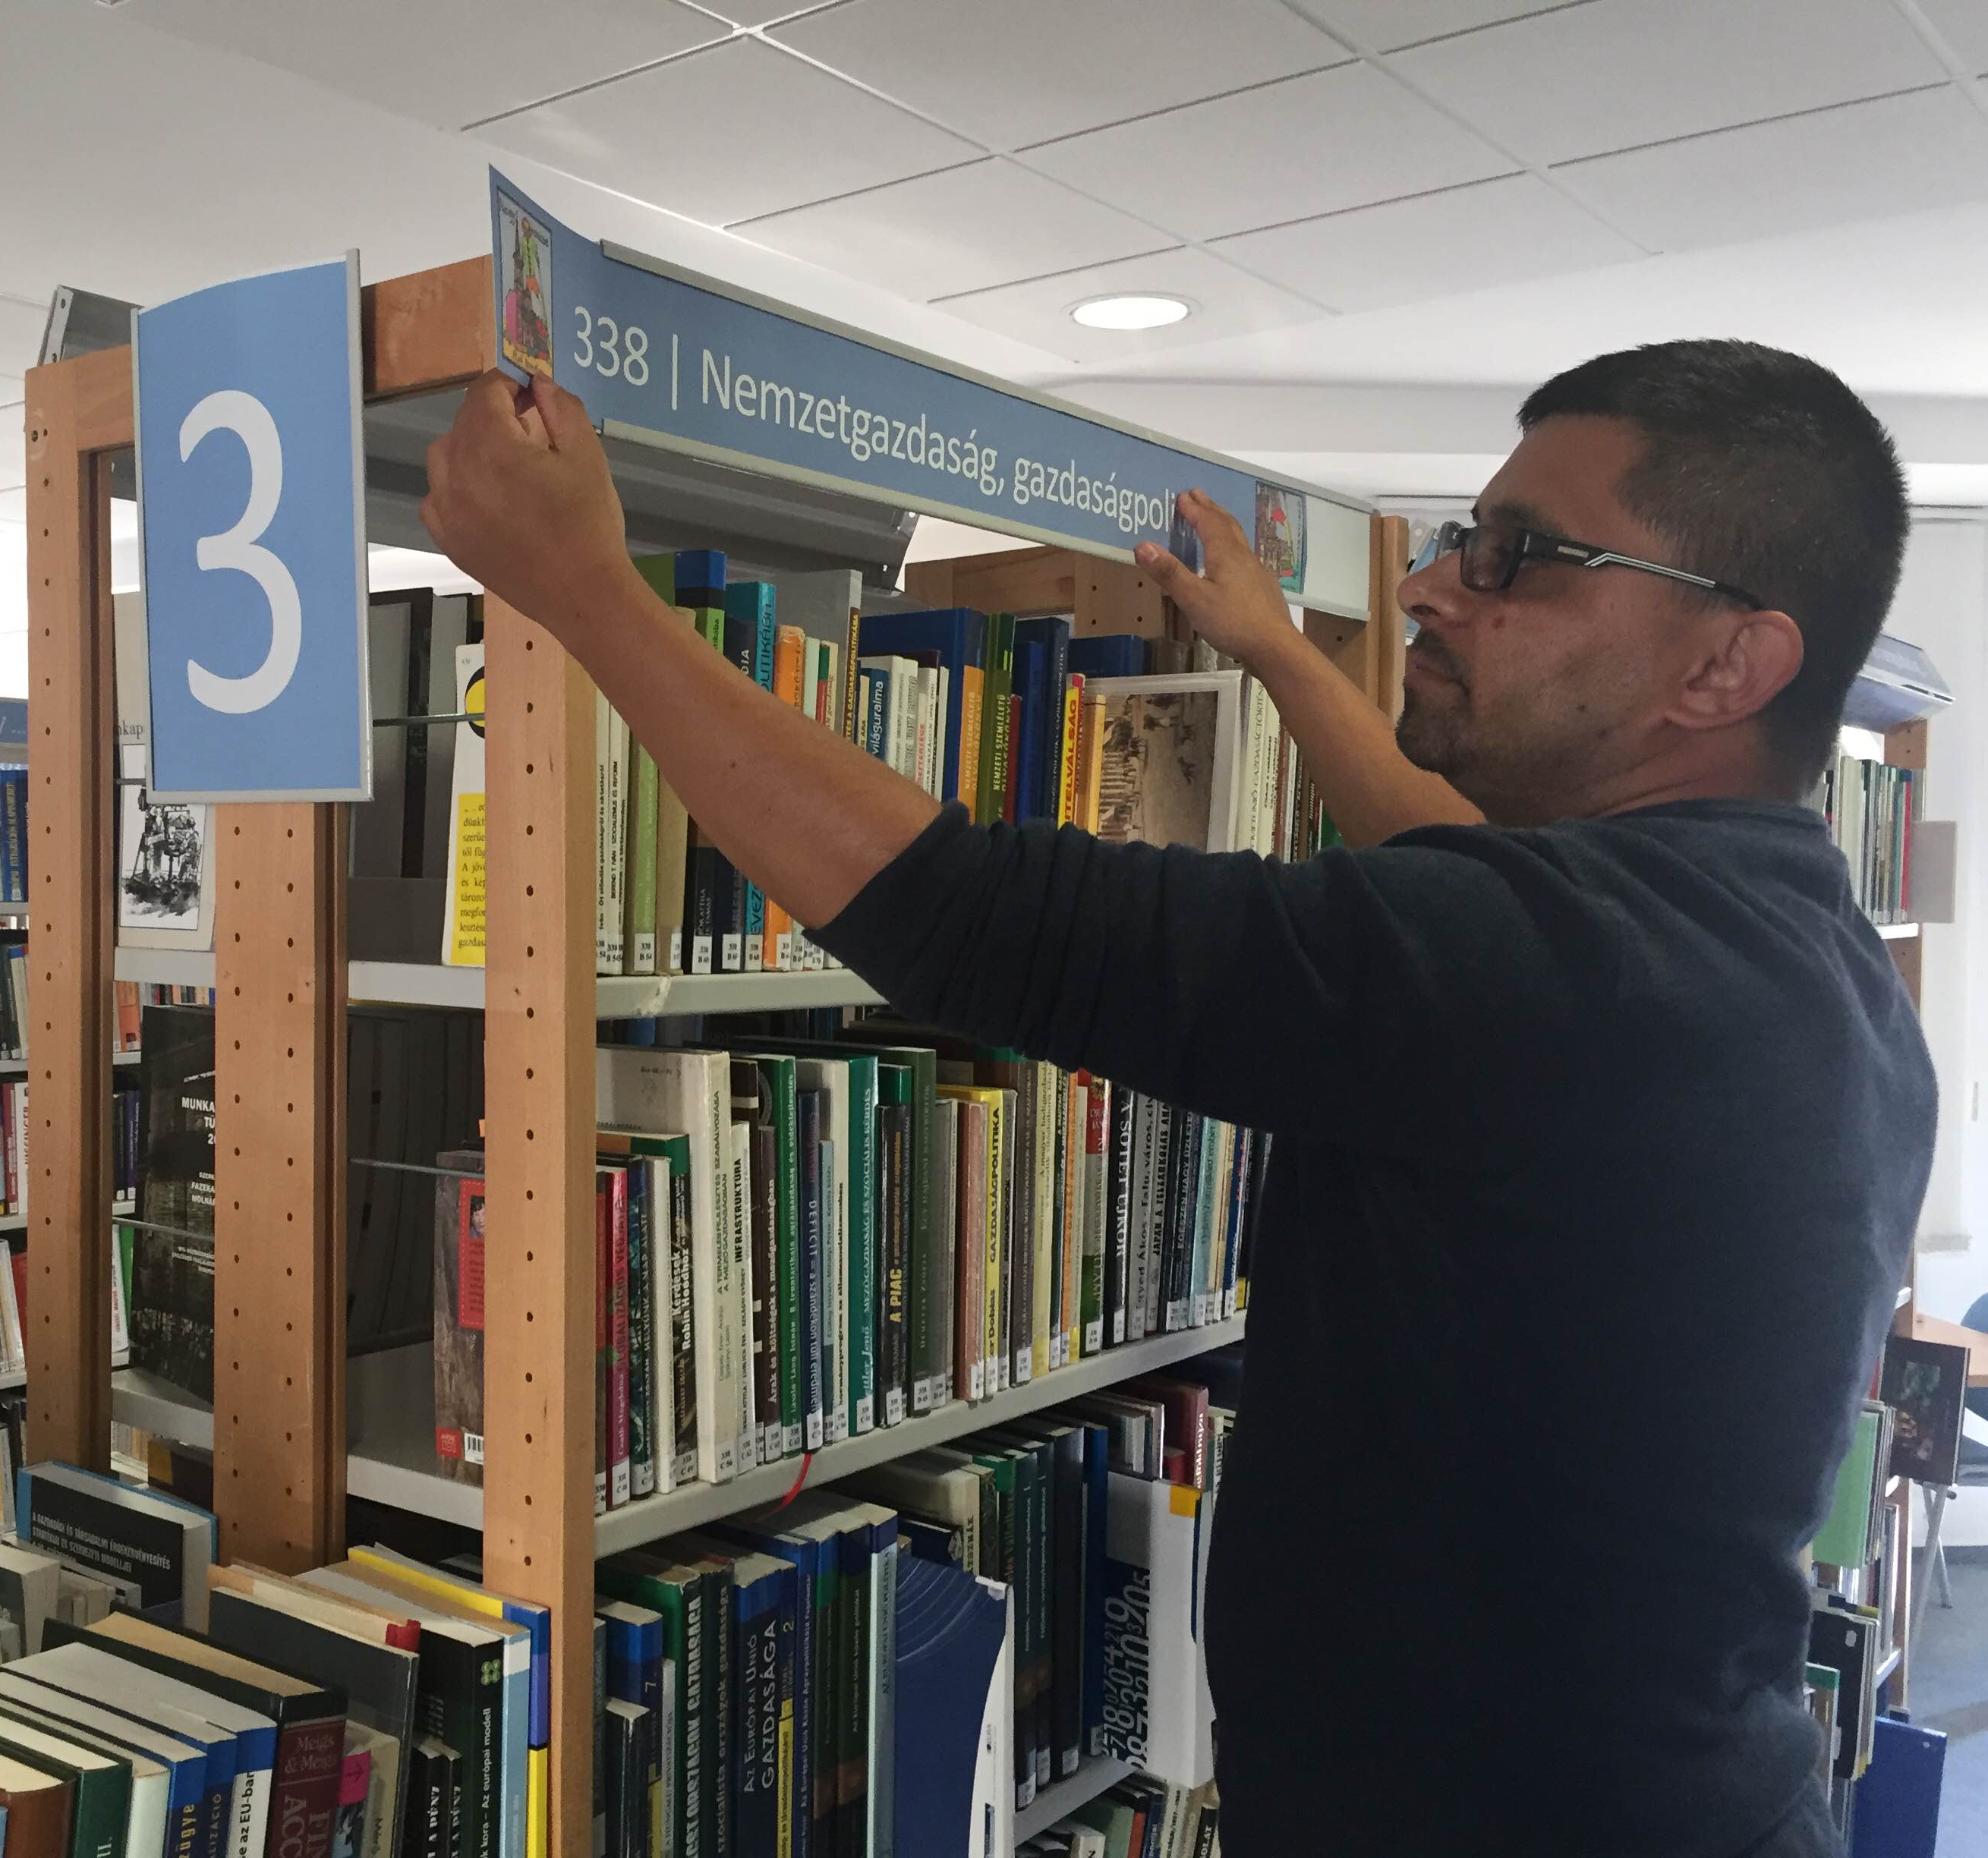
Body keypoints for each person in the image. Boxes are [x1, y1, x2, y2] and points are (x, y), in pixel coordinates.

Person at [420, 338, 1930, 1858]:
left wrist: (586, 589)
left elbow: (969, 914)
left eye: (1519, 556)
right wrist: (1276, 653)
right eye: (1463, 539)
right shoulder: (1783, 950)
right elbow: (1452, 871)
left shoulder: (1568, 975)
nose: (1432, 586)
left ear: (1730, 664)